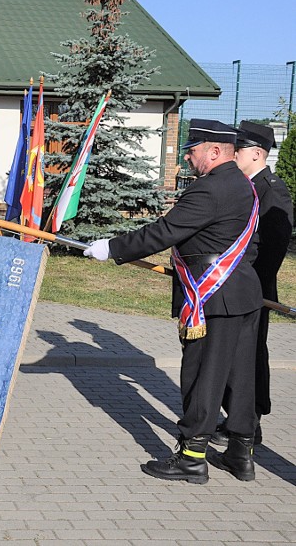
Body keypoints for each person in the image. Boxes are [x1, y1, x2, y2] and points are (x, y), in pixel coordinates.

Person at [84, 119, 262, 483]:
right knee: (239, 378)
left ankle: (192, 458)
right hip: (243, 293)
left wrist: (112, 248)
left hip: (213, 296)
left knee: (203, 376)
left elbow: (164, 232)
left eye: (193, 150)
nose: (187, 157)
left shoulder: (210, 189)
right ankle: (241, 455)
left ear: (214, 151)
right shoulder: (243, 185)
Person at [212, 121, 293, 447]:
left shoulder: (271, 190)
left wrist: (246, 285)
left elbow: (272, 250)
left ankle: (249, 423)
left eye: (239, 148)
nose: (234, 154)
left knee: (249, 356)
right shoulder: (243, 185)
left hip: (254, 290)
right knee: (234, 356)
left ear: (257, 153)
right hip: (235, 285)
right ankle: (238, 417)